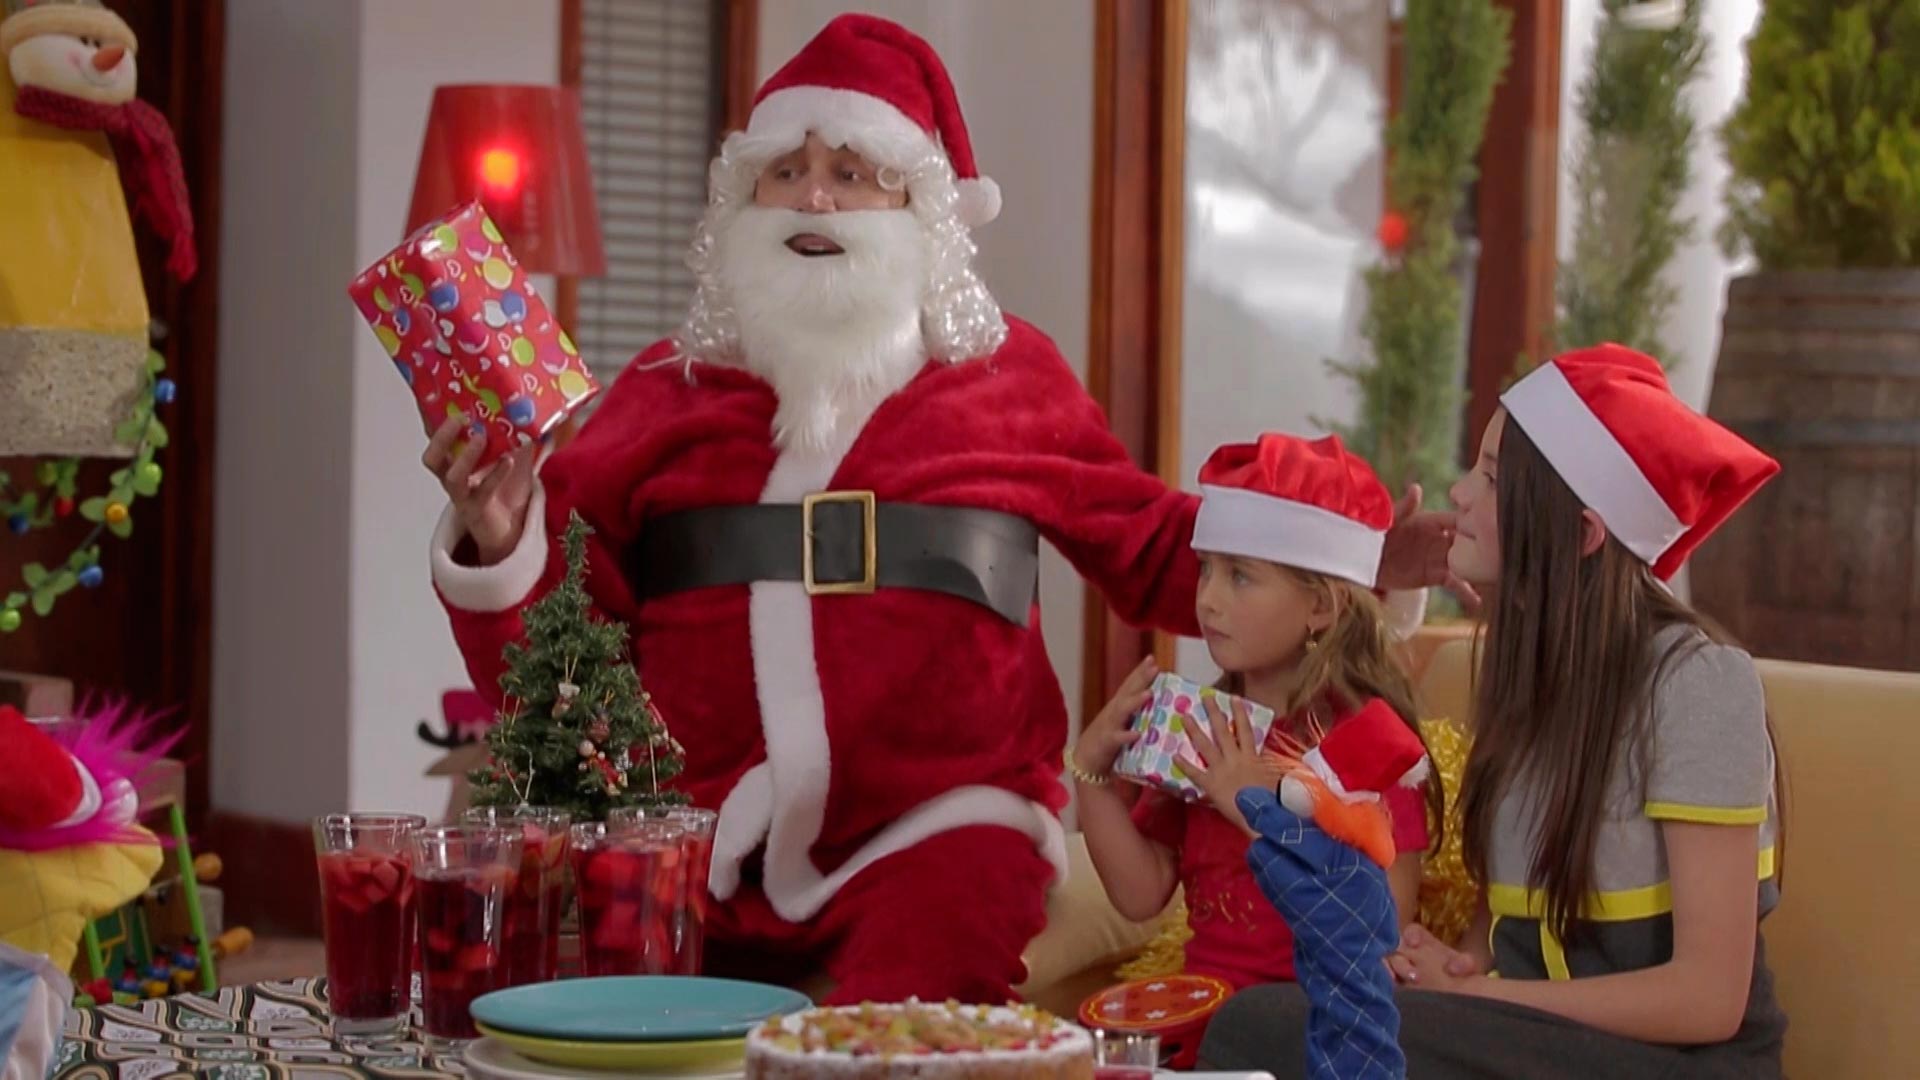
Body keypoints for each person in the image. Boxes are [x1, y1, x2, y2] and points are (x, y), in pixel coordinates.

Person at [423, 14, 1455, 1005]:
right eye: (784, 172)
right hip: (697, 827)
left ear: (925, 213)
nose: (813, 201)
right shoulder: (663, 391)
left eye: (851, 174)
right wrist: (502, 537)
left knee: (903, 1030)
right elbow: (559, 651)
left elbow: (1153, 545)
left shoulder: (1010, 385)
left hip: (942, 824)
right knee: (624, 1034)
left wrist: (1354, 560)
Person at [1200, 344, 1788, 1078]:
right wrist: (1461, 968)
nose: (1460, 492)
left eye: (1491, 477)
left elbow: (1707, 999)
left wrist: (1489, 998)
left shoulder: (1699, 686)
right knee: (1285, 1021)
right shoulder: (1528, 679)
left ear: (1581, 533)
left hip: (1679, 1064)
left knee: (1270, 1031)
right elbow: (1512, 922)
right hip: (1540, 1044)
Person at [1071, 433, 1436, 990]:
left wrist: (1256, 811)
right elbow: (1141, 893)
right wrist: (1092, 776)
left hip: (1310, 1028)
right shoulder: (1205, 723)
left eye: (1239, 576)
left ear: (1320, 605)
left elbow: (1376, 932)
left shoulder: (1371, 742)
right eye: (1205, 570)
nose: (1208, 599)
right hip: (1200, 1019)